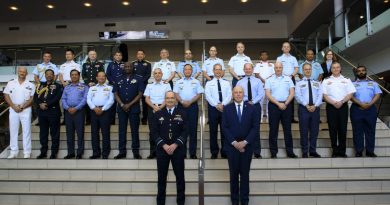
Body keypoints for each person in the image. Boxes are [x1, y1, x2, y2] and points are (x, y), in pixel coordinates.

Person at [222, 86, 260, 205]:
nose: (238, 94)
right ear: (232, 94)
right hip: (231, 147)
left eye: (240, 92)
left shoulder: (251, 108)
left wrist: (244, 142)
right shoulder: (227, 109)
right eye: (236, 92)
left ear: (243, 94)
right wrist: (234, 143)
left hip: (247, 147)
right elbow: (224, 127)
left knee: (245, 175)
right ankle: (234, 201)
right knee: (233, 175)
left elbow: (255, 127)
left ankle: (244, 201)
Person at [152, 91, 187, 205]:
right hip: (162, 150)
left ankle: (181, 202)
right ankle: (160, 202)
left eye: (172, 98)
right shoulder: (158, 113)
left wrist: (175, 144)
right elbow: (154, 132)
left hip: (178, 150)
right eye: (168, 98)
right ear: (164, 100)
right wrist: (164, 145)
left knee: (180, 178)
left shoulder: (182, 112)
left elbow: (186, 131)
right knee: (161, 179)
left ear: (175, 100)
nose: (170, 100)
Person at [322, 62, 356, 157]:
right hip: (330, 107)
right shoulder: (326, 80)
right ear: (331, 69)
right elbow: (324, 95)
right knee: (332, 129)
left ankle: (342, 151)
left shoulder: (346, 80)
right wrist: (333, 103)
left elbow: (350, 93)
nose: (336, 69)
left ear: (340, 68)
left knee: (342, 129)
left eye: (337, 67)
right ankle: (335, 151)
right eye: (334, 67)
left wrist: (342, 101)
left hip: (343, 106)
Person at [265, 62, 297, 158]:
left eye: (280, 67)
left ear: (282, 68)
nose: (278, 69)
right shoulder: (269, 80)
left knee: (287, 130)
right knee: (273, 130)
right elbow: (268, 94)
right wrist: (278, 104)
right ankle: (273, 152)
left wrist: (285, 103)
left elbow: (292, 92)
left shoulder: (288, 79)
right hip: (274, 106)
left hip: (286, 106)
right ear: (274, 69)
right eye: (276, 67)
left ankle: (290, 152)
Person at [114, 62, 144, 159]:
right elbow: (115, 93)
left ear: (133, 67)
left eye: (129, 66)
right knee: (121, 131)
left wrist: (129, 104)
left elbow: (140, 94)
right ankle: (122, 152)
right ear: (123, 68)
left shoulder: (139, 78)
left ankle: (136, 152)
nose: (127, 68)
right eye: (126, 66)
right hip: (121, 109)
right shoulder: (118, 78)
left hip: (134, 108)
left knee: (134, 131)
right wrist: (122, 104)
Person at [173, 64, 204, 159]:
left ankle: (192, 153)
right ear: (183, 71)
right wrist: (182, 101)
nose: (187, 71)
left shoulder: (196, 82)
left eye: (189, 69)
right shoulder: (179, 82)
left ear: (192, 71)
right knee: (180, 129)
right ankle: (182, 152)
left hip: (193, 107)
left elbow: (199, 94)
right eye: (185, 69)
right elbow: (175, 93)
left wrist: (190, 101)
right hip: (180, 107)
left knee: (192, 130)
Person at [4, 67, 35, 159]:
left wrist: (22, 106)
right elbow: (6, 95)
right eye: (20, 71)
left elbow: (32, 98)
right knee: (13, 130)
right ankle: (13, 152)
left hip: (25, 109)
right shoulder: (11, 83)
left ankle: (27, 152)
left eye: (24, 72)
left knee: (26, 131)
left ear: (26, 73)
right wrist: (13, 106)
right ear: (18, 72)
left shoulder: (31, 84)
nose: (22, 73)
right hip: (13, 109)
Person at [350, 66, 382, 157]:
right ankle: (359, 151)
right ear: (356, 73)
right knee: (357, 131)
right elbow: (350, 96)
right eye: (359, 71)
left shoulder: (373, 83)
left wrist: (370, 104)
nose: (361, 72)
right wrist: (361, 104)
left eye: (363, 70)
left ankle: (370, 151)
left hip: (370, 109)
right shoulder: (352, 84)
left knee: (370, 130)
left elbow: (377, 94)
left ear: (366, 72)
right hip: (357, 109)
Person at [236, 63, 264, 158]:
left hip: (255, 106)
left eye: (249, 69)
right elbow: (237, 95)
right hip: (244, 106)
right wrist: (245, 102)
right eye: (246, 69)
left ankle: (257, 151)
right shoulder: (239, 82)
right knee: (244, 128)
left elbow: (261, 94)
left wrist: (253, 101)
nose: (248, 70)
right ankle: (245, 149)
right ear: (244, 70)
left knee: (256, 128)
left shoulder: (258, 81)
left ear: (252, 70)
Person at [295, 63, 323, 158]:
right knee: (303, 131)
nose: (308, 71)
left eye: (309, 69)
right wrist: (306, 105)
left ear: (311, 70)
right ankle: (304, 151)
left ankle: (312, 151)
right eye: (306, 69)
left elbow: (320, 95)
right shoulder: (299, 83)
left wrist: (315, 105)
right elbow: (298, 96)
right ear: (303, 71)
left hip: (315, 109)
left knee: (314, 131)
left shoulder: (317, 83)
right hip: (304, 109)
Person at [205, 63, 232, 159]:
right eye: (216, 69)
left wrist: (223, 104)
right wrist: (216, 105)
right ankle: (214, 152)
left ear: (222, 71)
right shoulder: (208, 83)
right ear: (213, 71)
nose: (218, 71)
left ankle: (225, 151)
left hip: (224, 109)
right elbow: (208, 96)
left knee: (225, 131)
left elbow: (229, 95)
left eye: (220, 69)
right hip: (213, 109)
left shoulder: (226, 83)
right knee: (213, 131)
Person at [144, 68, 172, 159]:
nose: (157, 74)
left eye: (159, 73)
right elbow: (147, 98)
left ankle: (163, 151)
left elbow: (168, 98)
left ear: (162, 74)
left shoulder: (166, 85)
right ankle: (153, 152)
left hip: (163, 108)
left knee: (164, 130)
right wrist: (154, 107)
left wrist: (160, 107)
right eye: (155, 73)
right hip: (152, 109)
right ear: (153, 74)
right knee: (152, 131)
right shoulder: (149, 85)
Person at [34, 69, 62, 159]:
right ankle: (43, 152)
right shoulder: (40, 85)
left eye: (51, 74)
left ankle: (54, 153)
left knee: (54, 133)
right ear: (45, 75)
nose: (49, 75)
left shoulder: (58, 86)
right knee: (43, 133)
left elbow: (57, 97)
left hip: (53, 112)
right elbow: (35, 97)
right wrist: (40, 104)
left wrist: (46, 104)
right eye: (47, 74)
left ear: (54, 76)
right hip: (42, 113)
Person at [62, 69, 89, 159]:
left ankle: (79, 153)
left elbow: (85, 99)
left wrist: (76, 108)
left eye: (76, 74)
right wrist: (68, 108)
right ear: (70, 76)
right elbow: (63, 99)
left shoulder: (84, 87)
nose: (74, 76)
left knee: (80, 133)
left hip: (79, 112)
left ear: (79, 76)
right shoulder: (67, 87)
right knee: (69, 133)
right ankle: (71, 153)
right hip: (68, 112)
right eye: (72, 75)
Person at [87, 71, 114, 159]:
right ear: (96, 78)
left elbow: (111, 100)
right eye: (99, 76)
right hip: (94, 111)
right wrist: (94, 108)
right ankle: (96, 153)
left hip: (105, 112)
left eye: (103, 76)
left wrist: (102, 109)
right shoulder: (92, 88)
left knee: (105, 133)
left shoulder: (110, 88)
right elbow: (88, 99)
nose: (101, 77)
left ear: (105, 78)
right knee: (94, 133)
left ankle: (105, 153)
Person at [276, 42, 299, 123]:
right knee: (282, 96)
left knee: (291, 98)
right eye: (284, 47)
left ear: (290, 48)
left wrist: (291, 75)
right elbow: (278, 68)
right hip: (282, 79)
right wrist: (285, 75)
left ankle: (291, 117)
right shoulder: (279, 58)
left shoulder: (293, 58)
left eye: (287, 47)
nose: (286, 48)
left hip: (291, 78)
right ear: (282, 48)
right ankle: (280, 117)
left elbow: (296, 68)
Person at [81, 49, 105, 125]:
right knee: (88, 102)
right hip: (88, 86)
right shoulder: (85, 64)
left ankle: (96, 117)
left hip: (97, 86)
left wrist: (95, 82)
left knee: (96, 101)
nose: (92, 55)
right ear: (88, 55)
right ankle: (88, 119)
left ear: (96, 55)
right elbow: (83, 75)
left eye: (94, 54)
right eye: (91, 54)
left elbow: (102, 75)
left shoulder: (100, 64)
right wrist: (88, 83)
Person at [131, 49, 152, 125]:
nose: (140, 55)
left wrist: (140, 81)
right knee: (135, 102)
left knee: (145, 103)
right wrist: (136, 82)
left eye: (141, 54)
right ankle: (136, 118)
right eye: (138, 54)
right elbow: (132, 74)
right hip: (134, 86)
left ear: (144, 55)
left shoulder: (148, 64)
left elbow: (148, 74)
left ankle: (144, 119)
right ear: (136, 55)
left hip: (144, 86)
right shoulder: (133, 63)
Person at [254, 51, 274, 123]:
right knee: (260, 102)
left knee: (270, 102)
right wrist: (264, 80)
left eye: (265, 55)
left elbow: (273, 75)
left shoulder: (271, 64)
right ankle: (260, 117)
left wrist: (267, 81)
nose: (264, 56)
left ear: (267, 56)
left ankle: (269, 117)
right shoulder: (258, 64)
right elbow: (256, 74)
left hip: (269, 86)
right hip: (261, 85)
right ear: (260, 57)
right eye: (262, 55)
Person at [106, 51, 125, 125]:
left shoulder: (124, 64)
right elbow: (108, 74)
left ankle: (122, 120)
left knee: (121, 103)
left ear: (121, 57)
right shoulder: (110, 64)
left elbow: (126, 73)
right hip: (112, 86)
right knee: (112, 103)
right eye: (116, 55)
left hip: (122, 86)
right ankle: (112, 121)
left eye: (120, 55)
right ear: (114, 56)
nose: (118, 56)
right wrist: (113, 81)